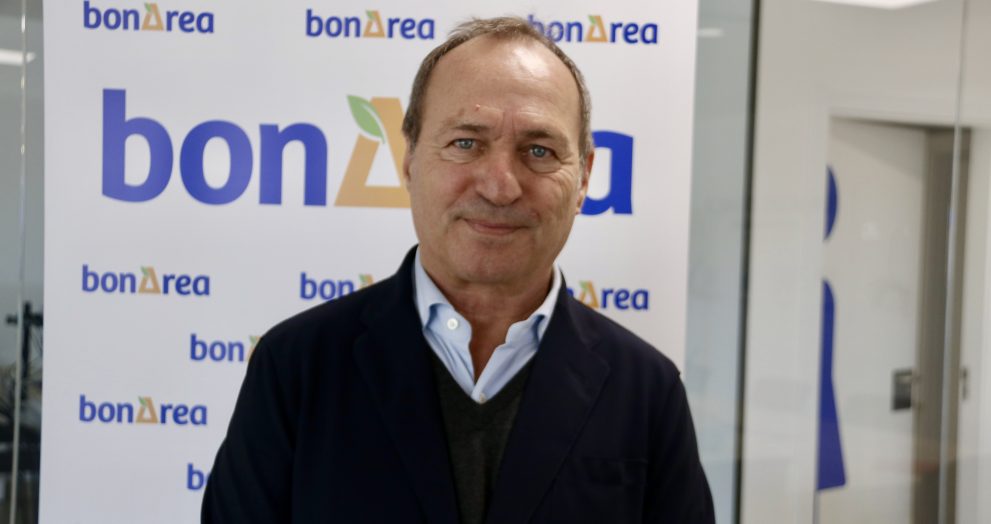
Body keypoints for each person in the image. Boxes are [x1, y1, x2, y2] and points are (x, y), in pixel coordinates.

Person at [202, 16, 714, 524]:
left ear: (583, 180)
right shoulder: (296, 368)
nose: (500, 186)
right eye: (466, 143)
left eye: (539, 151)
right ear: (409, 162)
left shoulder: (647, 391)